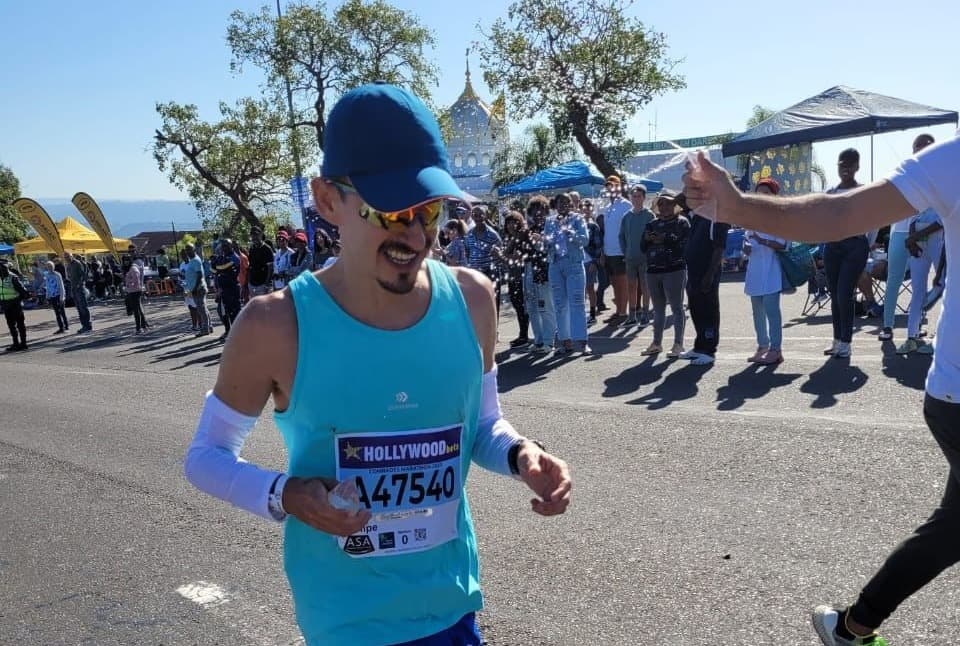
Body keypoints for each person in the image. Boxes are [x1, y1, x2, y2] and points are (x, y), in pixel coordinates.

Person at [183, 83, 571, 646]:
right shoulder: (275, 325)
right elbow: (206, 458)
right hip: (346, 626)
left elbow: (482, 425)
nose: (414, 235)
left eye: (430, 209)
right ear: (327, 200)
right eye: (390, 210)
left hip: (451, 610)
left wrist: (521, 455)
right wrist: (285, 494)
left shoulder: (473, 300)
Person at [684, 134, 960, 646]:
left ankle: (854, 626)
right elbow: (840, 215)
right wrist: (740, 207)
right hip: (959, 394)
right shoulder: (954, 159)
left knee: (952, 529)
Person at [821, 149, 871, 359]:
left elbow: (873, 220)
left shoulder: (863, 191)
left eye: (850, 165)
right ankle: (837, 340)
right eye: (842, 165)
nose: (846, 169)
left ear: (857, 167)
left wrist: (868, 240)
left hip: (855, 246)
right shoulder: (831, 192)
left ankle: (846, 342)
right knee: (834, 295)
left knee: (844, 294)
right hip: (833, 247)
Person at [681, 191, 730, 366]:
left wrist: (709, 275)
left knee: (708, 309)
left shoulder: (718, 215)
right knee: (695, 308)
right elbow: (680, 199)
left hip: (707, 271)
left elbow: (718, 249)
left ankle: (709, 350)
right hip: (694, 271)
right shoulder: (698, 215)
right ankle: (699, 345)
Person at [639, 190, 689, 358]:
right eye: (661, 203)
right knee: (658, 309)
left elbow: (685, 247)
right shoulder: (651, 224)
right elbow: (642, 247)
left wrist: (665, 239)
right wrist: (647, 239)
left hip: (674, 269)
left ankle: (678, 344)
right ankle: (656, 343)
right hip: (653, 270)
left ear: (674, 205)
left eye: (668, 203)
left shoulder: (682, 222)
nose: (664, 206)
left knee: (676, 307)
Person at [743, 178, 787, 365]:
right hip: (754, 270)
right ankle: (762, 346)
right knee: (757, 312)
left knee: (772, 311)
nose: (762, 196)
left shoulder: (780, 217)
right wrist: (746, 246)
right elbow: (747, 239)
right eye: (759, 193)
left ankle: (776, 350)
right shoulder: (751, 218)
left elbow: (784, 244)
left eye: (766, 193)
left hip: (771, 271)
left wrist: (764, 241)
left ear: (774, 196)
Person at [544, 192, 590, 354]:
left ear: (571, 204)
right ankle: (566, 341)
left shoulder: (577, 219)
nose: (563, 205)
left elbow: (585, 240)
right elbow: (546, 245)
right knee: (560, 304)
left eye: (566, 202)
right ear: (555, 205)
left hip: (574, 264)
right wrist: (543, 242)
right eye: (560, 202)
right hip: (556, 265)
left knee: (577, 303)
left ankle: (583, 341)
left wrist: (570, 232)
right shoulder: (549, 221)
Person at [619, 185, 655, 326]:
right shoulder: (626, 216)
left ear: (644, 198)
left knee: (646, 286)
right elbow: (621, 236)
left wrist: (650, 253)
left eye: (639, 196)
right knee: (631, 286)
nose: (636, 199)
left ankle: (645, 314)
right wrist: (625, 252)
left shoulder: (649, 215)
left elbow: (653, 236)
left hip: (645, 258)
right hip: (630, 258)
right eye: (634, 196)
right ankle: (632, 315)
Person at [599, 176, 632, 321]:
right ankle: (618, 311)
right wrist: (603, 253)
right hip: (608, 252)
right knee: (614, 283)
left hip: (621, 251)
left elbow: (629, 230)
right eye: (608, 187)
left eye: (613, 186)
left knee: (622, 283)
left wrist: (628, 250)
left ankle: (623, 313)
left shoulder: (626, 205)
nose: (610, 189)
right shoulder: (607, 208)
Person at [183, 244, 212, 337]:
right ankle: (209, 327)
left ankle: (205, 329)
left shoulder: (195, 260)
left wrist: (195, 288)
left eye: (189, 249)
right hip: (196, 288)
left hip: (198, 289)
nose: (187, 251)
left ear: (194, 249)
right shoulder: (192, 260)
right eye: (186, 250)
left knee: (201, 310)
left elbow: (199, 275)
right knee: (203, 308)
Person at [0, 261, 29, 351]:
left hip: (15, 305)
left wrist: (16, 300)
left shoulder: (13, 277)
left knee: (20, 325)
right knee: (11, 326)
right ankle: (15, 343)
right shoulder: (0, 278)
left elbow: (24, 293)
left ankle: (23, 344)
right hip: (6, 305)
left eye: (3, 269)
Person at [64, 251, 92, 333]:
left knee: (83, 307)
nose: (67, 259)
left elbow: (83, 275)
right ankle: (84, 325)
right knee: (79, 308)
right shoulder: (68, 265)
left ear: (71, 256)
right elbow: (69, 277)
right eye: (65, 257)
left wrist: (80, 284)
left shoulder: (77, 263)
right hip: (73, 288)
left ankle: (88, 325)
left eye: (68, 256)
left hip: (79, 288)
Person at [123, 256, 149, 334]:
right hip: (132, 291)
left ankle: (139, 327)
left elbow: (136, 279)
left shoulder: (133, 268)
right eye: (124, 260)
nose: (126, 262)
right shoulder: (129, 268)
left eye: (127, 260)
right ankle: (142, 326)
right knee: (138, 309)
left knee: (136, 310)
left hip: (135, 291)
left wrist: (129, 284)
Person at [246, 227, 275, 298]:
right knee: (255, 307)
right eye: (252, 235)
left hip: (263, 284)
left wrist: (266, 284)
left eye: (256, 234)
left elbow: (270, 268)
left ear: (261, 235)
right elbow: (250, 266)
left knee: (265, 307)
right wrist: (249, 282)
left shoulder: (267, 249)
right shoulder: (252, 248)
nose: (254, 237)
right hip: (252, 284)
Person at [44, 261, 69, 333]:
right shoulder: (47, 275)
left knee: (62, 312)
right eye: (48, 267)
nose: (49, 268)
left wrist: (62, 297)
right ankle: (61, 327)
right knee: (57, 313)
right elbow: (48, 286)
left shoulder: (57, 275)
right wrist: (47, 296)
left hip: (59, 295)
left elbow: (61, 286)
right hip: (52, 296)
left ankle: (66, 326)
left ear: (53, 267)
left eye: (51, 266)